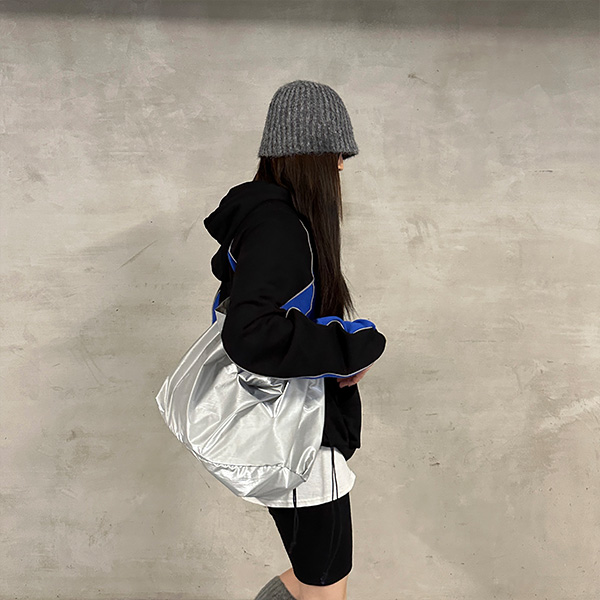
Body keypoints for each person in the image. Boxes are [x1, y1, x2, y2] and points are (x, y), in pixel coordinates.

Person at [203, 80, 387, 600]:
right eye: (336, 155)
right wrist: (351, 345)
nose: (342, 167)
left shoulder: (264, 220)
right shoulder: (280, 226)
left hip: (287, 428)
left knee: (316, 577)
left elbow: (247, 318)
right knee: (325, 585)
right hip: (299, 435)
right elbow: (250, 331)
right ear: (309, 156)